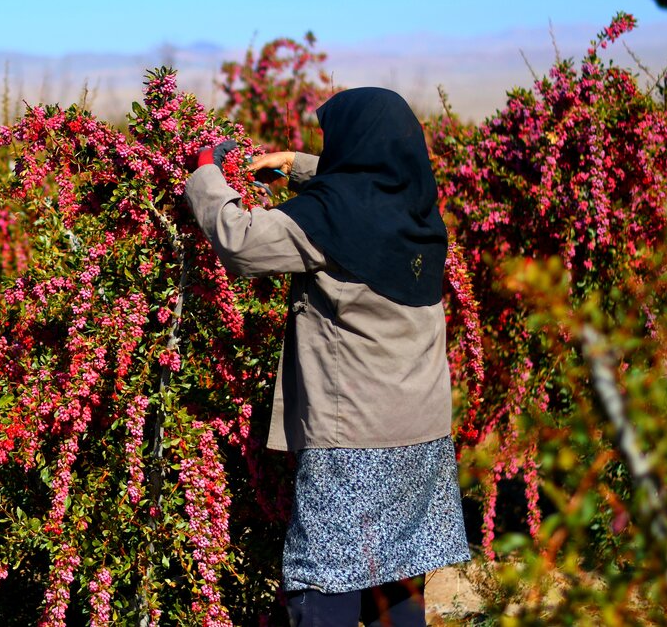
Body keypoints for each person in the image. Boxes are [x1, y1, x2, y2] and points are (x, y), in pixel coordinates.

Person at [185, 87, 470, 627]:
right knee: (398, 571)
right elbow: (367, 186)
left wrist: (205, 174)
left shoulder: (329, 220)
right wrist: (297, 166)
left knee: (323, 577)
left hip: (354, 438)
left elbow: (241, 243)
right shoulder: (421, 213)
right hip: (423, 433)